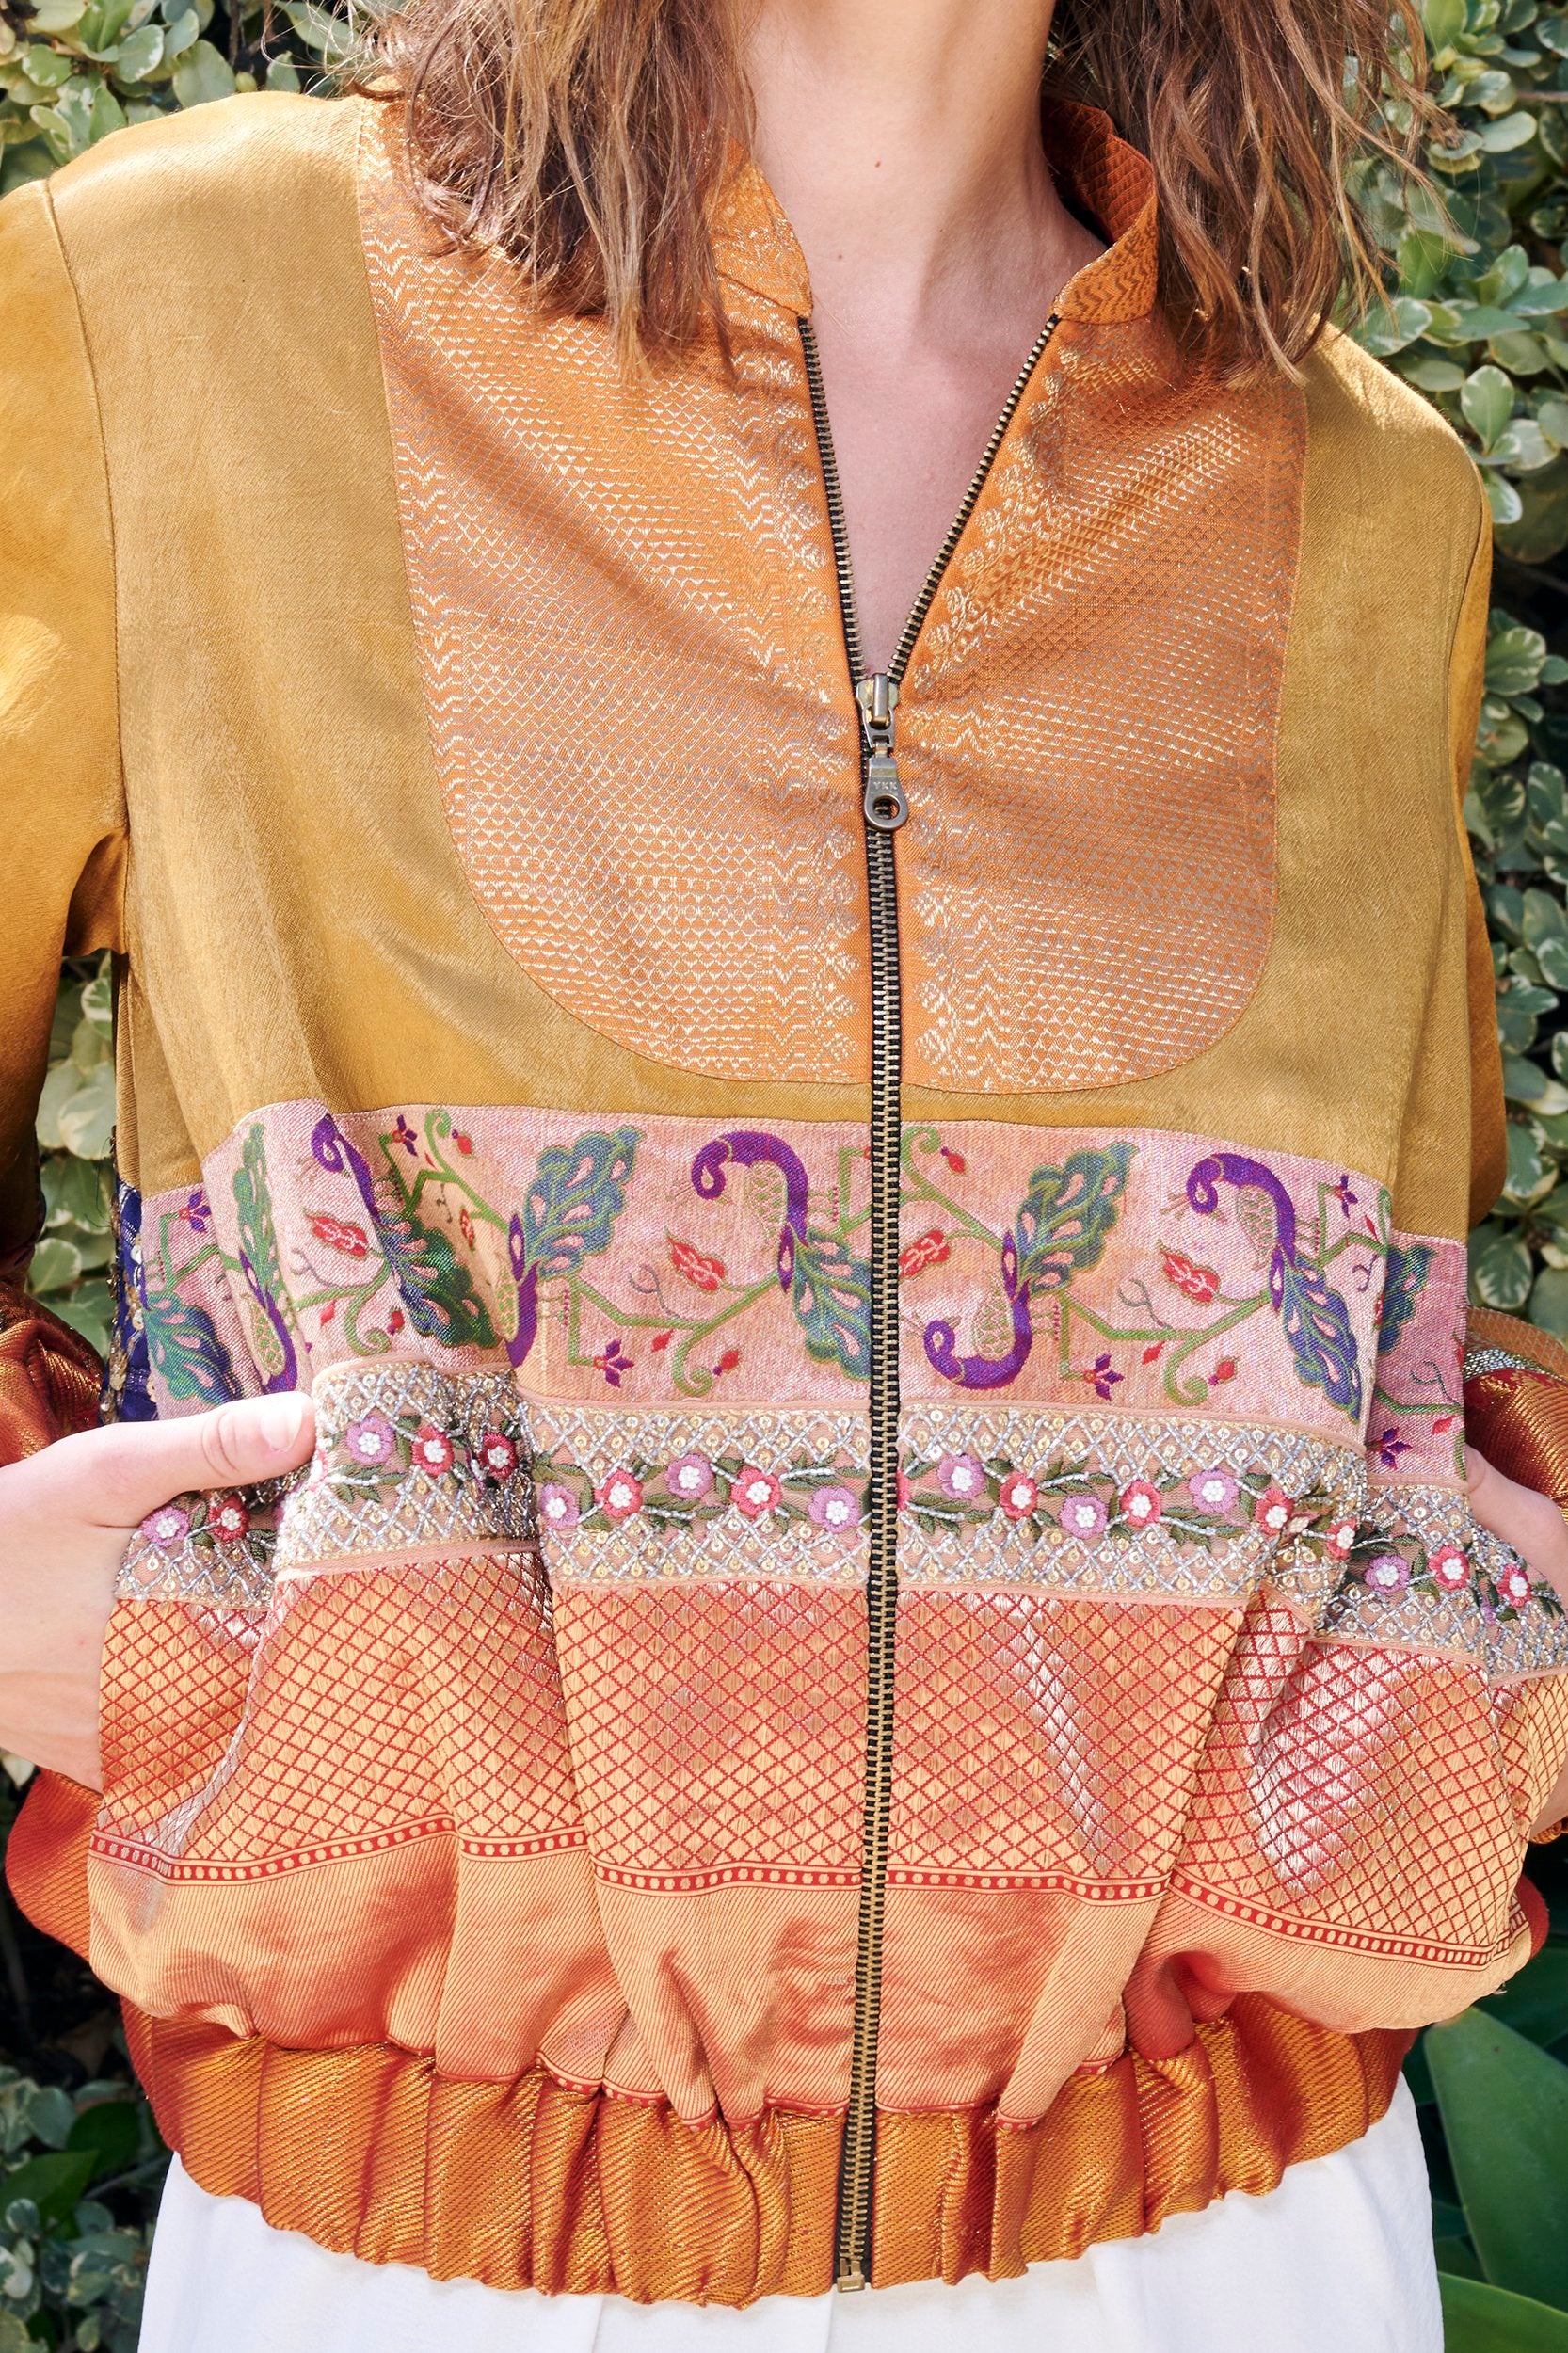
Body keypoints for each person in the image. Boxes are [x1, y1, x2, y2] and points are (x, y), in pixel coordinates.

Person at [3, 0, 1568, 2344]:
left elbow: (1386, 1329)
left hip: (1226, 2255)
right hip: (437, 2272)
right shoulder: (178, 308)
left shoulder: (1367, 495)